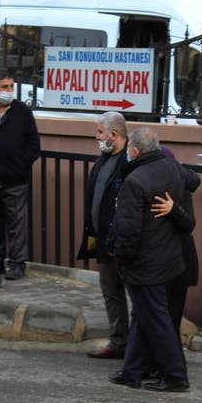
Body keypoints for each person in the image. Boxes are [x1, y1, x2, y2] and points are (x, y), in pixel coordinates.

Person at [109, 127, 189, 392]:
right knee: (144, 315)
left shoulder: (135, 181)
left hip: (146, 264)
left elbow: (128, 231)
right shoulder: (172, 168)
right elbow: (193, 181)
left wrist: (122, 260)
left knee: (155, 318)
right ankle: (132, 370)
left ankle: (176, 375)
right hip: (169, 259)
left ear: (133, 151)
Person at [77, 111, 130, 359]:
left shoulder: (129, 160)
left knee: (135, 294)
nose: (97, 137)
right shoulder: (104, 158)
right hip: (102, 240)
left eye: (100, 132)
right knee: (111, 292)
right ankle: (119, 342)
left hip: (122, 241)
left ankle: (136, 345)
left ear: (114, 134)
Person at [0, 72, 41, 280]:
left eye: (11, 86)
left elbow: (33, 145)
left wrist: (20, 165)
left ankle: (17, 263)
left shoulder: (21, 111)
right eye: (4, 86)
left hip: (15, 179)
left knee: (16, 223)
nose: (9, 91)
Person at [151, 145, 201, 336]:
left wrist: (174, 210)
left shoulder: (181, 188)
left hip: (179, 260)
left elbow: (189, 223)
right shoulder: (147, 185)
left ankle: (170, 358)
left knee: (172, 314)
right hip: (160, 261)